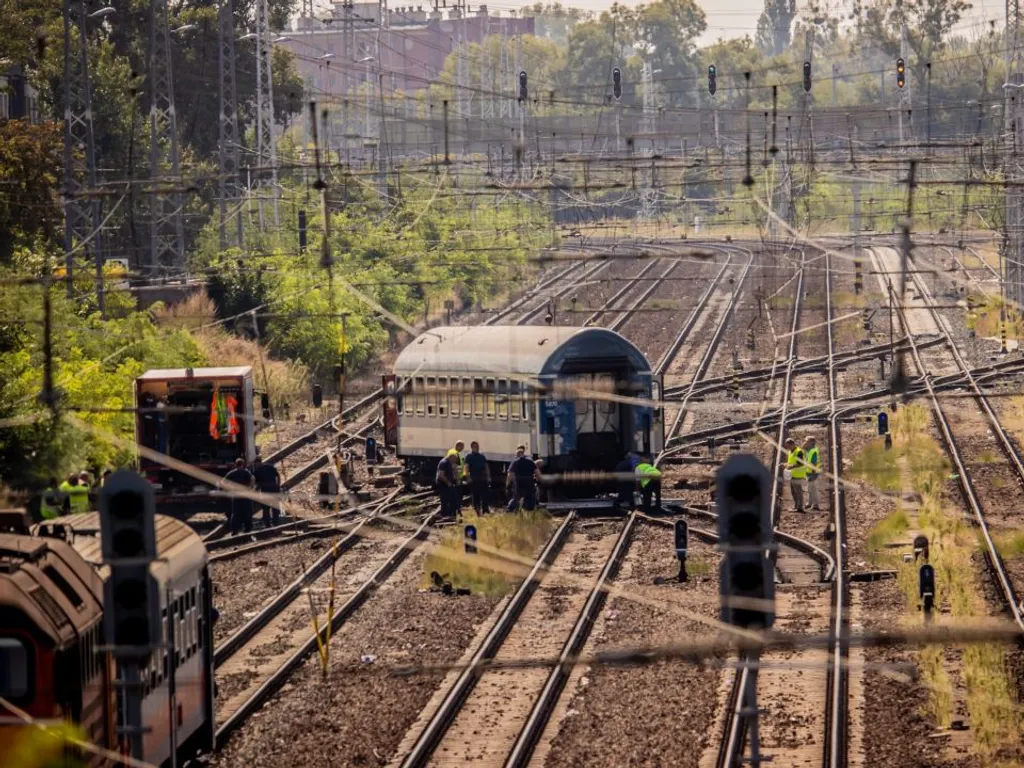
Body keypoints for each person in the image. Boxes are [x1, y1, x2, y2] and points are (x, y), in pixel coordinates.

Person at [223, 458, 255, 535]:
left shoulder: (232, 473)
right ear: (243, 464)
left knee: (235, 513)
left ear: (235, 465)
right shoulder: (246, 472)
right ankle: (247, 529)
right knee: (247, 512)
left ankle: (234, 531)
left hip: (236, 495)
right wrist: (250, 488)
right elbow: (253, 479)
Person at [252, 456, 282, 527]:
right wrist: (278, 485)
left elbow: (257, 484)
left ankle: (267, 524)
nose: (255, 465)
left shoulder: (257, 471)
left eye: (255, 464)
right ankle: (276, 522)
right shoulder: (270, 467)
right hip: (274, 488)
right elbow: (278, 475)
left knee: (266, 508)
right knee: (275, 506)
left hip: (266, 490)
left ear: (257, 463)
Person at [506, 445, 538, 512]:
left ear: (517, 454)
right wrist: (538, 480)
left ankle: (510, 510)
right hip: (529, 483)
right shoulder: (530, 461)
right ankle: (531, 510)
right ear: (523, 454)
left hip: (518, 483)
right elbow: (537, 472)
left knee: (516, 498)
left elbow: (510, 475)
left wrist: (507, 485)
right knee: (530, 497)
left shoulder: (515, 462)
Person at [464, 441, 490, 515]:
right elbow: (466, 467)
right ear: (472, 447)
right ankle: (477, 510)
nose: (477, 448)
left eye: (477, 446)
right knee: (476, 496)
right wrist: (467, 477)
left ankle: (485, 510)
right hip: (474, 479)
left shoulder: (482, 456)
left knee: (485, 495)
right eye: (475, 446)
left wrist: (488, 476)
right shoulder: (468, 456)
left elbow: (486, 466)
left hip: (482, 478)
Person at [436, 451, 460, 519]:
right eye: (455, 459)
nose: (455, 461)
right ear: (451, 457)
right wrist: (448, 482)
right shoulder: (443, 462)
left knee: (453, 498)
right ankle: (444, 514)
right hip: (443, 483)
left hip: (449, 483)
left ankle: (451, 513)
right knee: (444, 499)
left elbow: (454, 472)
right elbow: (441, 475)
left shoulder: (450, 463)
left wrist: (456, 479)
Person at [785, 438, 807, 513]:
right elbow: (791, 462)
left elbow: (800, 463)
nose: (787, 447)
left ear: (792, 444)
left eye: (788, 446)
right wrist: (785, 465)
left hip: (797, 474)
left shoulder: (798, 452)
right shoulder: (791, 451)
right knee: (793, 491)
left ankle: (800, 507)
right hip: (792, 474)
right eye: (787, 446)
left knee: (798, 491)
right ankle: (796, 505)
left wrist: (791, 466)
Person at [804, 436, 822, 511]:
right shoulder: (809, 450)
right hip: (809, 472)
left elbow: (814, 464)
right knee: (809, 489)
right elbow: (803, 447)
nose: (805, 442)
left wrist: (813, 475)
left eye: (806, 441)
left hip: (812, 473)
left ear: (811, 443)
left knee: (813, 489)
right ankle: (810, 503)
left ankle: (816, 505)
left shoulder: (813, 451)